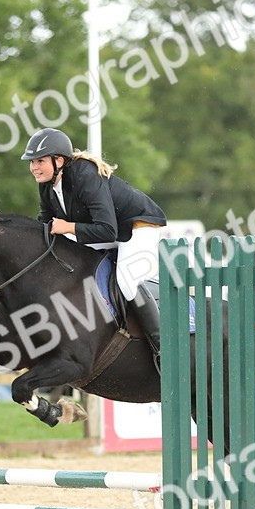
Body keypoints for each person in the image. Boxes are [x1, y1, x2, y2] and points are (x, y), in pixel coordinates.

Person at [21, 127, 168, 365]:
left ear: (59, 160)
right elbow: (46, 225)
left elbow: (106, 229)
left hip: (138, 227)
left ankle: (161, 347)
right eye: (32, 162)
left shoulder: (84, 175)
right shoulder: (47, 184)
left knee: (126, 281)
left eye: (40, 161)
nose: (34, 167)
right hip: (106, 232)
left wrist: (68, 227)